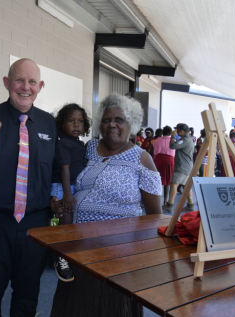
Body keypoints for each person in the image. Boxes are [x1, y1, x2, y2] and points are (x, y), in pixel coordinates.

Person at [50, 93, 162, 317]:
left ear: (131, 124)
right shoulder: (88, 148)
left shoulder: (142, 159)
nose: (112, 124)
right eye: (107, 119)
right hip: (78, 251)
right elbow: (68, 180)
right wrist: (56, 200)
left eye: (119, 120)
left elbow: (154, 215)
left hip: (118, 256)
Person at [0, 58, 57, 317]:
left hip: (35, 226)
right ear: (6, 83)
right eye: (19, 80)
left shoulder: (49, 124)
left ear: (40, 86)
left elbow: (57, 172)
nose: (26, 87)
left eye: (32, 82)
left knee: (27, 296)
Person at [50, 103, 90, 282]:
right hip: (63, 187)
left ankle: (68, 254)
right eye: (71, 121)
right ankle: (60, 258)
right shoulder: (63, 144)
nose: (76, 125)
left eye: (80, 121)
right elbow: (64, 169)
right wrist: (66, 193)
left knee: (71, 225)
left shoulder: (77, 143)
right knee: (65, 225)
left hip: (72, 187)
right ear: (61, 124)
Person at [162, 123, 195, 213]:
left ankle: (169, 205)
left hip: (182, 167)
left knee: (174, 184)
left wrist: (172, 136)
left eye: (178, 130)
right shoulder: (187, 139)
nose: (176, 132)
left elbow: (172, 146)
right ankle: (190, 205)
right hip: (186, 166)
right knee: (186, 186)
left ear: (182, 131)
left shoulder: (185, 140)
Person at [152, 126, 175, 205]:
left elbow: (152, 150)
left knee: (158, 179)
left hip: (159, 159)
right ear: (169, 133)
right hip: (169, 160)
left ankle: (157, 200)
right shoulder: (173, 140)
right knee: (167, 181)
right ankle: (165, 200)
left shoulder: (157, 140)